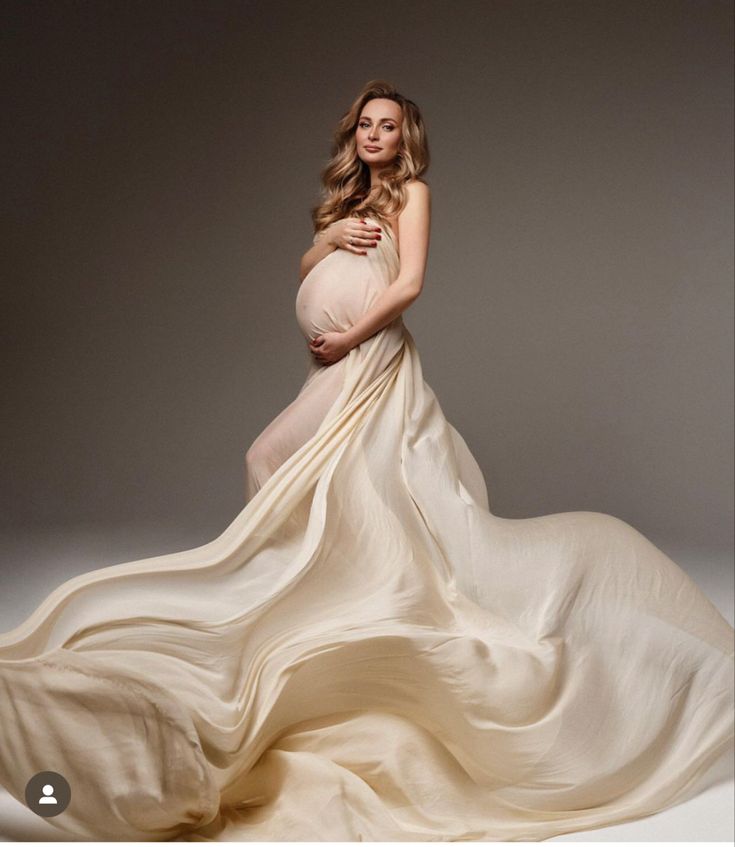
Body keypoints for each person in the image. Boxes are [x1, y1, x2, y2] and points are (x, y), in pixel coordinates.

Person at [0, 79, 732, 843]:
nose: (373, 135)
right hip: (332, 366)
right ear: (352, 135)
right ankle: (293, 593)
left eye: (386, 126)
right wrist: (334, 240)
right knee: (322, 483)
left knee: (279, 462)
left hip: (368, 361)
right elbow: (304, 265)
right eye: (364, 125)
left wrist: (347, 338)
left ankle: (280, 596)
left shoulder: (412, 192)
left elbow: (409, 283)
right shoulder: (349, 204)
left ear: (405, 136)